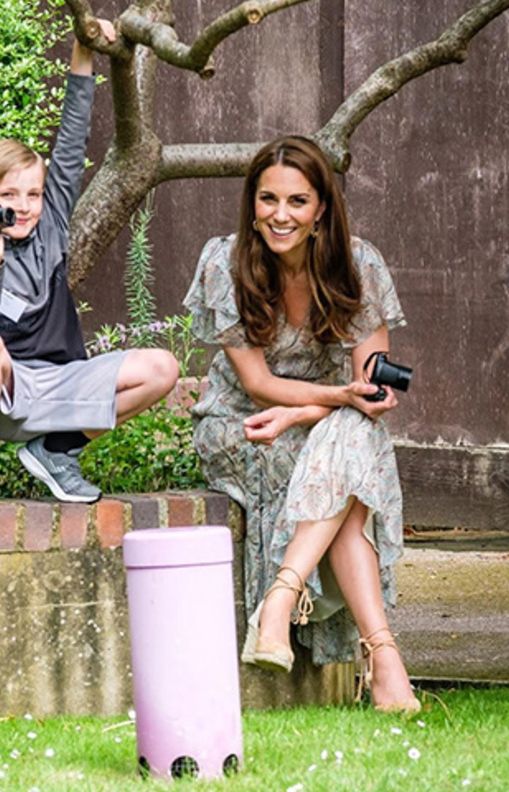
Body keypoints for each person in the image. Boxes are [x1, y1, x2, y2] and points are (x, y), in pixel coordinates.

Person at [183, 136, 419, 713]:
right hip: (244, 421)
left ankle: (282, 600)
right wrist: (328, 401)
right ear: (252, 201)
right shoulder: (225, 260)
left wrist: (315, 408)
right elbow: (260, 385)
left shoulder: (358, 264)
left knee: (353, 440)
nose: (280, 215)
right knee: (351, 457)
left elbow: (370, 389)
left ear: (321, 209)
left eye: (297, 201)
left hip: (322, 420)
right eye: (268, 200)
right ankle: (384, 659)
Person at [0, 21, 179, 514]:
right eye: (8, 196)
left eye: (33, 193)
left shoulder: (50, 226)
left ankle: (58, 450)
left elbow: (72, 138)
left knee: (162, 368)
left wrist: (83, 50)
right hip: (1, 396)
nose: (25, 206)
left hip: (62, 384)